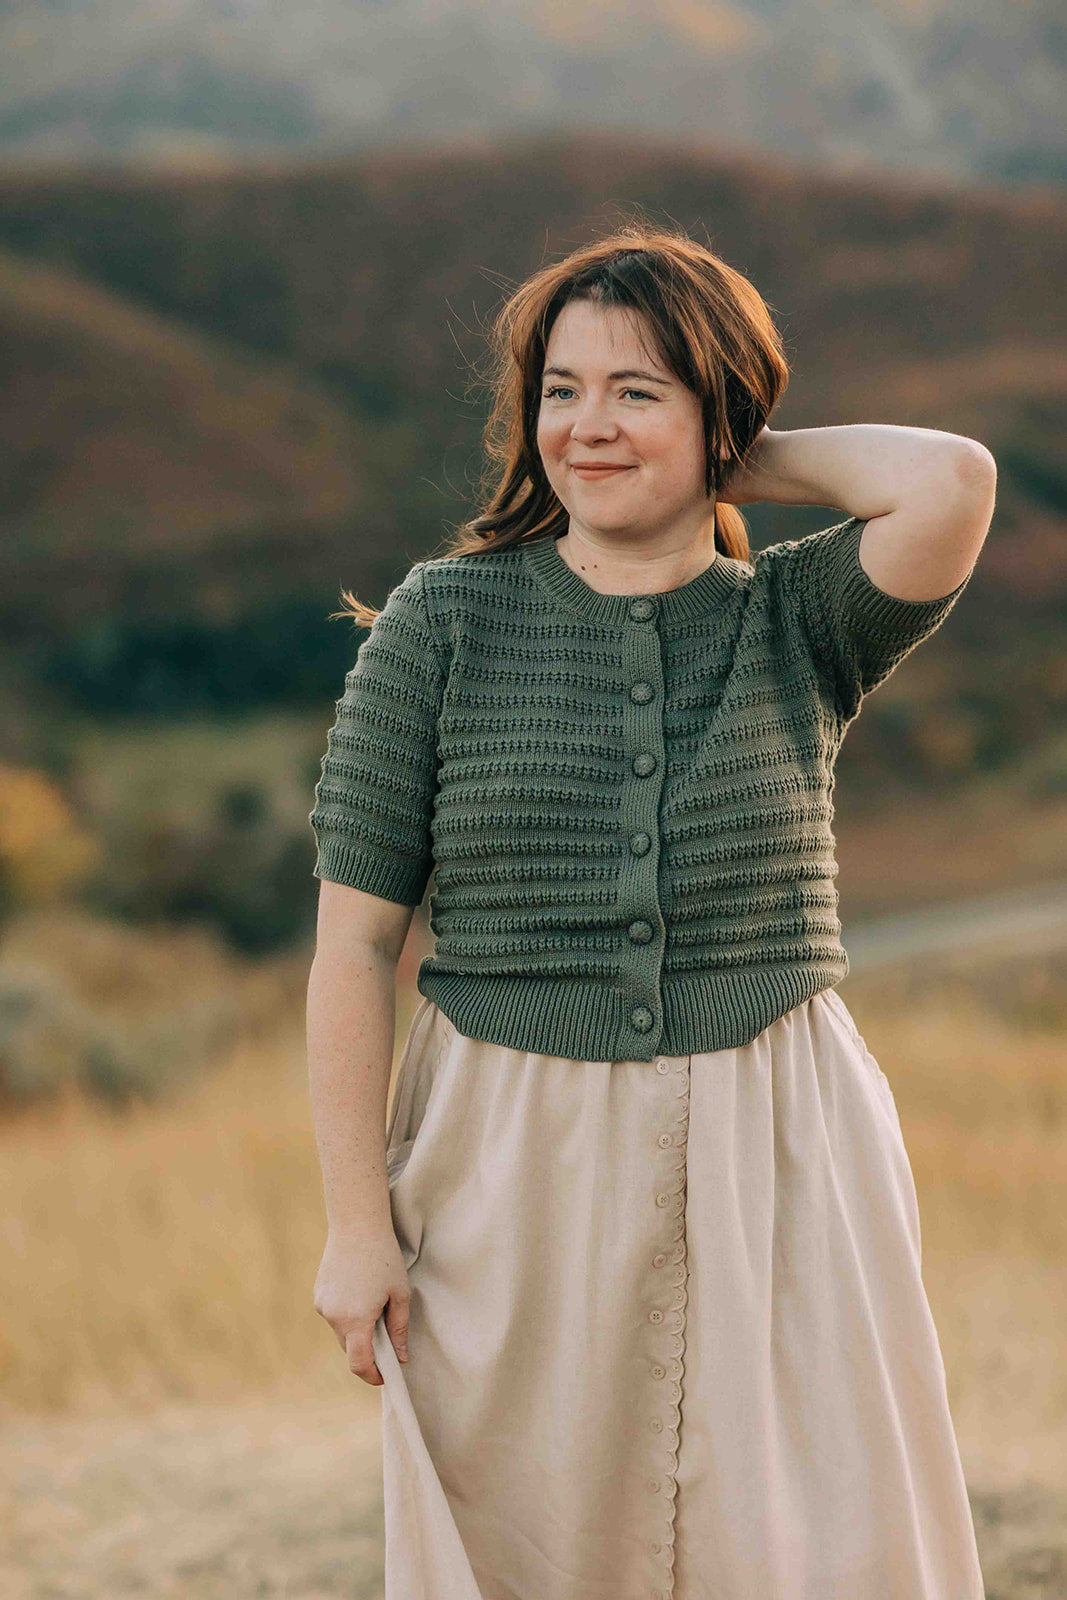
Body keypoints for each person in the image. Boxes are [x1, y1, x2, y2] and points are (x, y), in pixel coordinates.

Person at [305, 220, 995, 1599]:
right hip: (510, 1142)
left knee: (805, 1522)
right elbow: (353, 949)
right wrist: (353, 1218)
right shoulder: (439, 624)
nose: (586, 428)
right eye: (561, 392)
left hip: (778, 1128)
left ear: (719, 415)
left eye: (638, 390)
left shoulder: (802, 617)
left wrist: (737, 449)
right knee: (531, 1535)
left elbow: (952, 482)